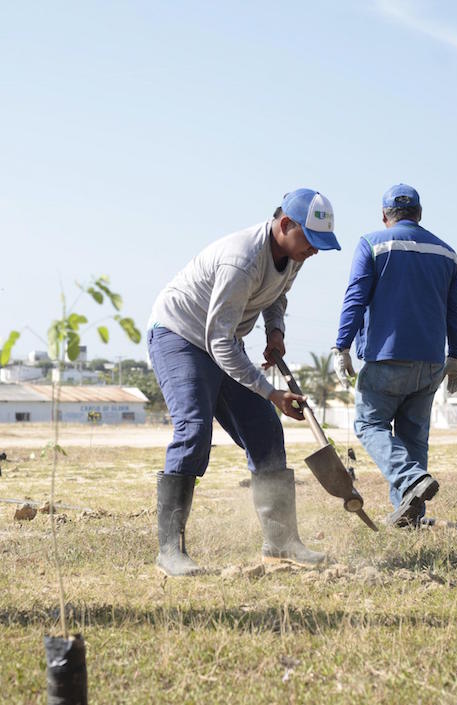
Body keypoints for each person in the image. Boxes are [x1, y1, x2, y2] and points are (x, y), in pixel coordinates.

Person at [147, 189, 340, 576]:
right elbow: (218, 340)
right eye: (311, 241)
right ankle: (170, 551)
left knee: (265, 432)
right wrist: (270, 392)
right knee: (194, 430)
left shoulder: (293, 254)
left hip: (221, 340)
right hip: (180, 336)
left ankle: (282, 544)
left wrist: (276, 331)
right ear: (285, 224)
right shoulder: (241, 260)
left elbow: (276, 295)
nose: (314, 252)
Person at [331, 183, 457, 528]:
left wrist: (342, 346)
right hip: (431, 362)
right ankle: (409, 518)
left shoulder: (372, 244)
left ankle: (410, 480)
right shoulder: (447, 253)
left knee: (369, 423)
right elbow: (455, 312)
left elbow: (355, 298)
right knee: (413, 437)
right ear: (419, 214)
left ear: (384, 216)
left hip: (386, 358)